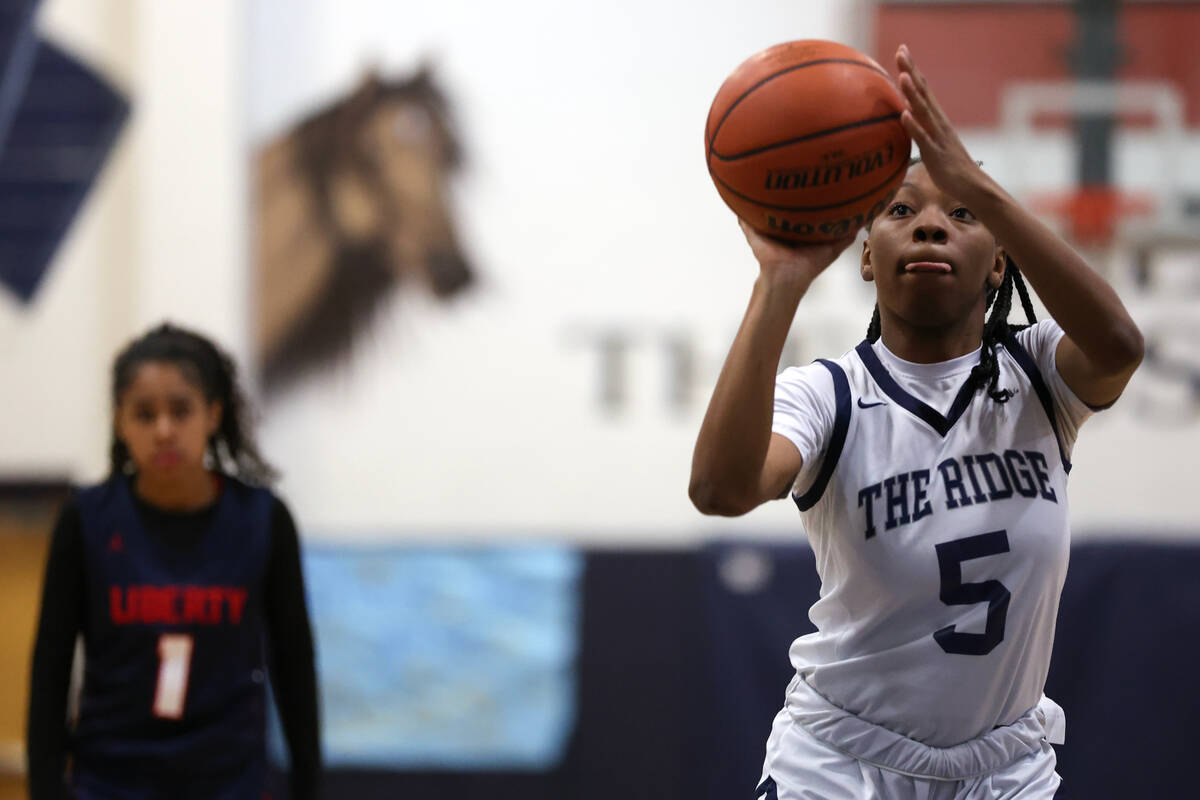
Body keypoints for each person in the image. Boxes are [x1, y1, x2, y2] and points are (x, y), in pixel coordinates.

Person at [689, 44, 1143, 799]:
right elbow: (718, 489)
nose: (931, 226)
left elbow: (1121, 347)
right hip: (839, 760)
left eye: (961, 213)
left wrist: (987, 189)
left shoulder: (1040, 377)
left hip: (1004, 769)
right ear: (867, 256)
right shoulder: (829, 395)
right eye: (902, 211)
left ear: (1000, 262)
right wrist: (779, 283)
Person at [27, 323, 323, 800]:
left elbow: (295, 666)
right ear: (120, 423)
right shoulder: (87, 520)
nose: (164, 431)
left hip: (229, 782)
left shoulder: (263, 519)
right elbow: (51, 669)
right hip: (110, 782)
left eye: (180, 411)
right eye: (144, 414)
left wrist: (309, 788)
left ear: (213, 414)